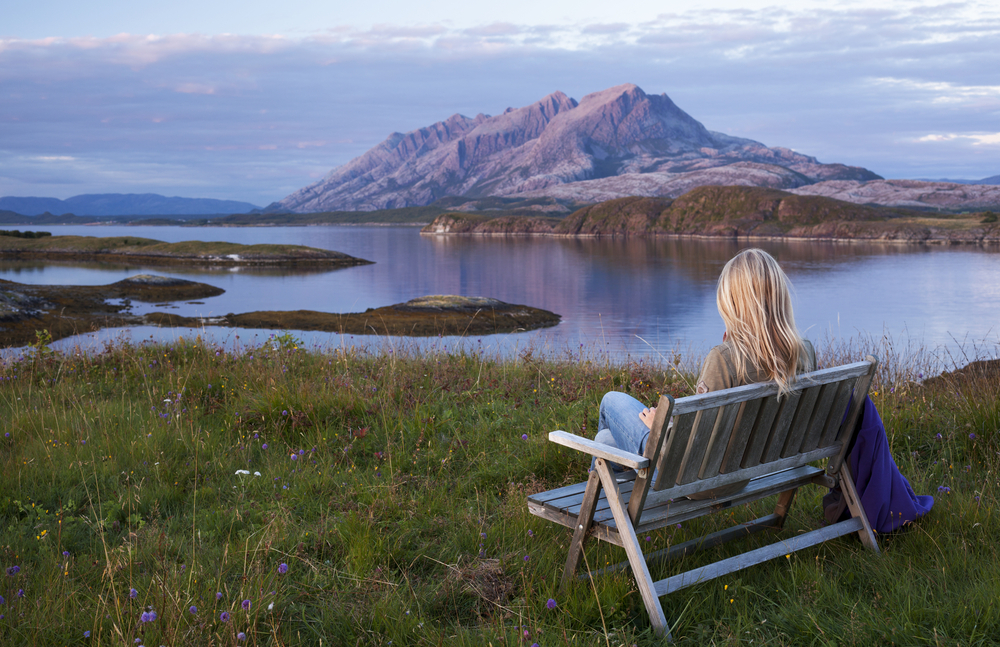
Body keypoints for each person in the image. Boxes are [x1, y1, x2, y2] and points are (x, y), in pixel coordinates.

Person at [593, 248, 933, 529]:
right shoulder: (805, 353)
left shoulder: (724, 358)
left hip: (693, 481)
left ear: (733, 303)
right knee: (606, 443)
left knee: (612, 402)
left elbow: (694, 442)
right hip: (747, 474)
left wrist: (658, 427)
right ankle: (609, 479)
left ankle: (597, 513)